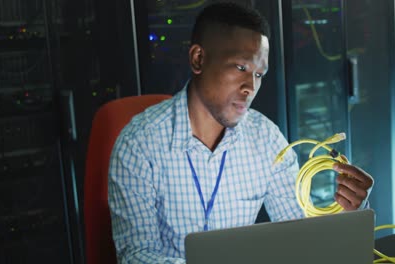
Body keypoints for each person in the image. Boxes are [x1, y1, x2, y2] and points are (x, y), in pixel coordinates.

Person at [108, 2, 374, 263]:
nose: (251, 87)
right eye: (241, 68)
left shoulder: (266, 139)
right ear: (198, 59)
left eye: (259, 75)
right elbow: (135, 255)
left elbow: (301, 232)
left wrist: (350, 211)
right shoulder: (138, 144)